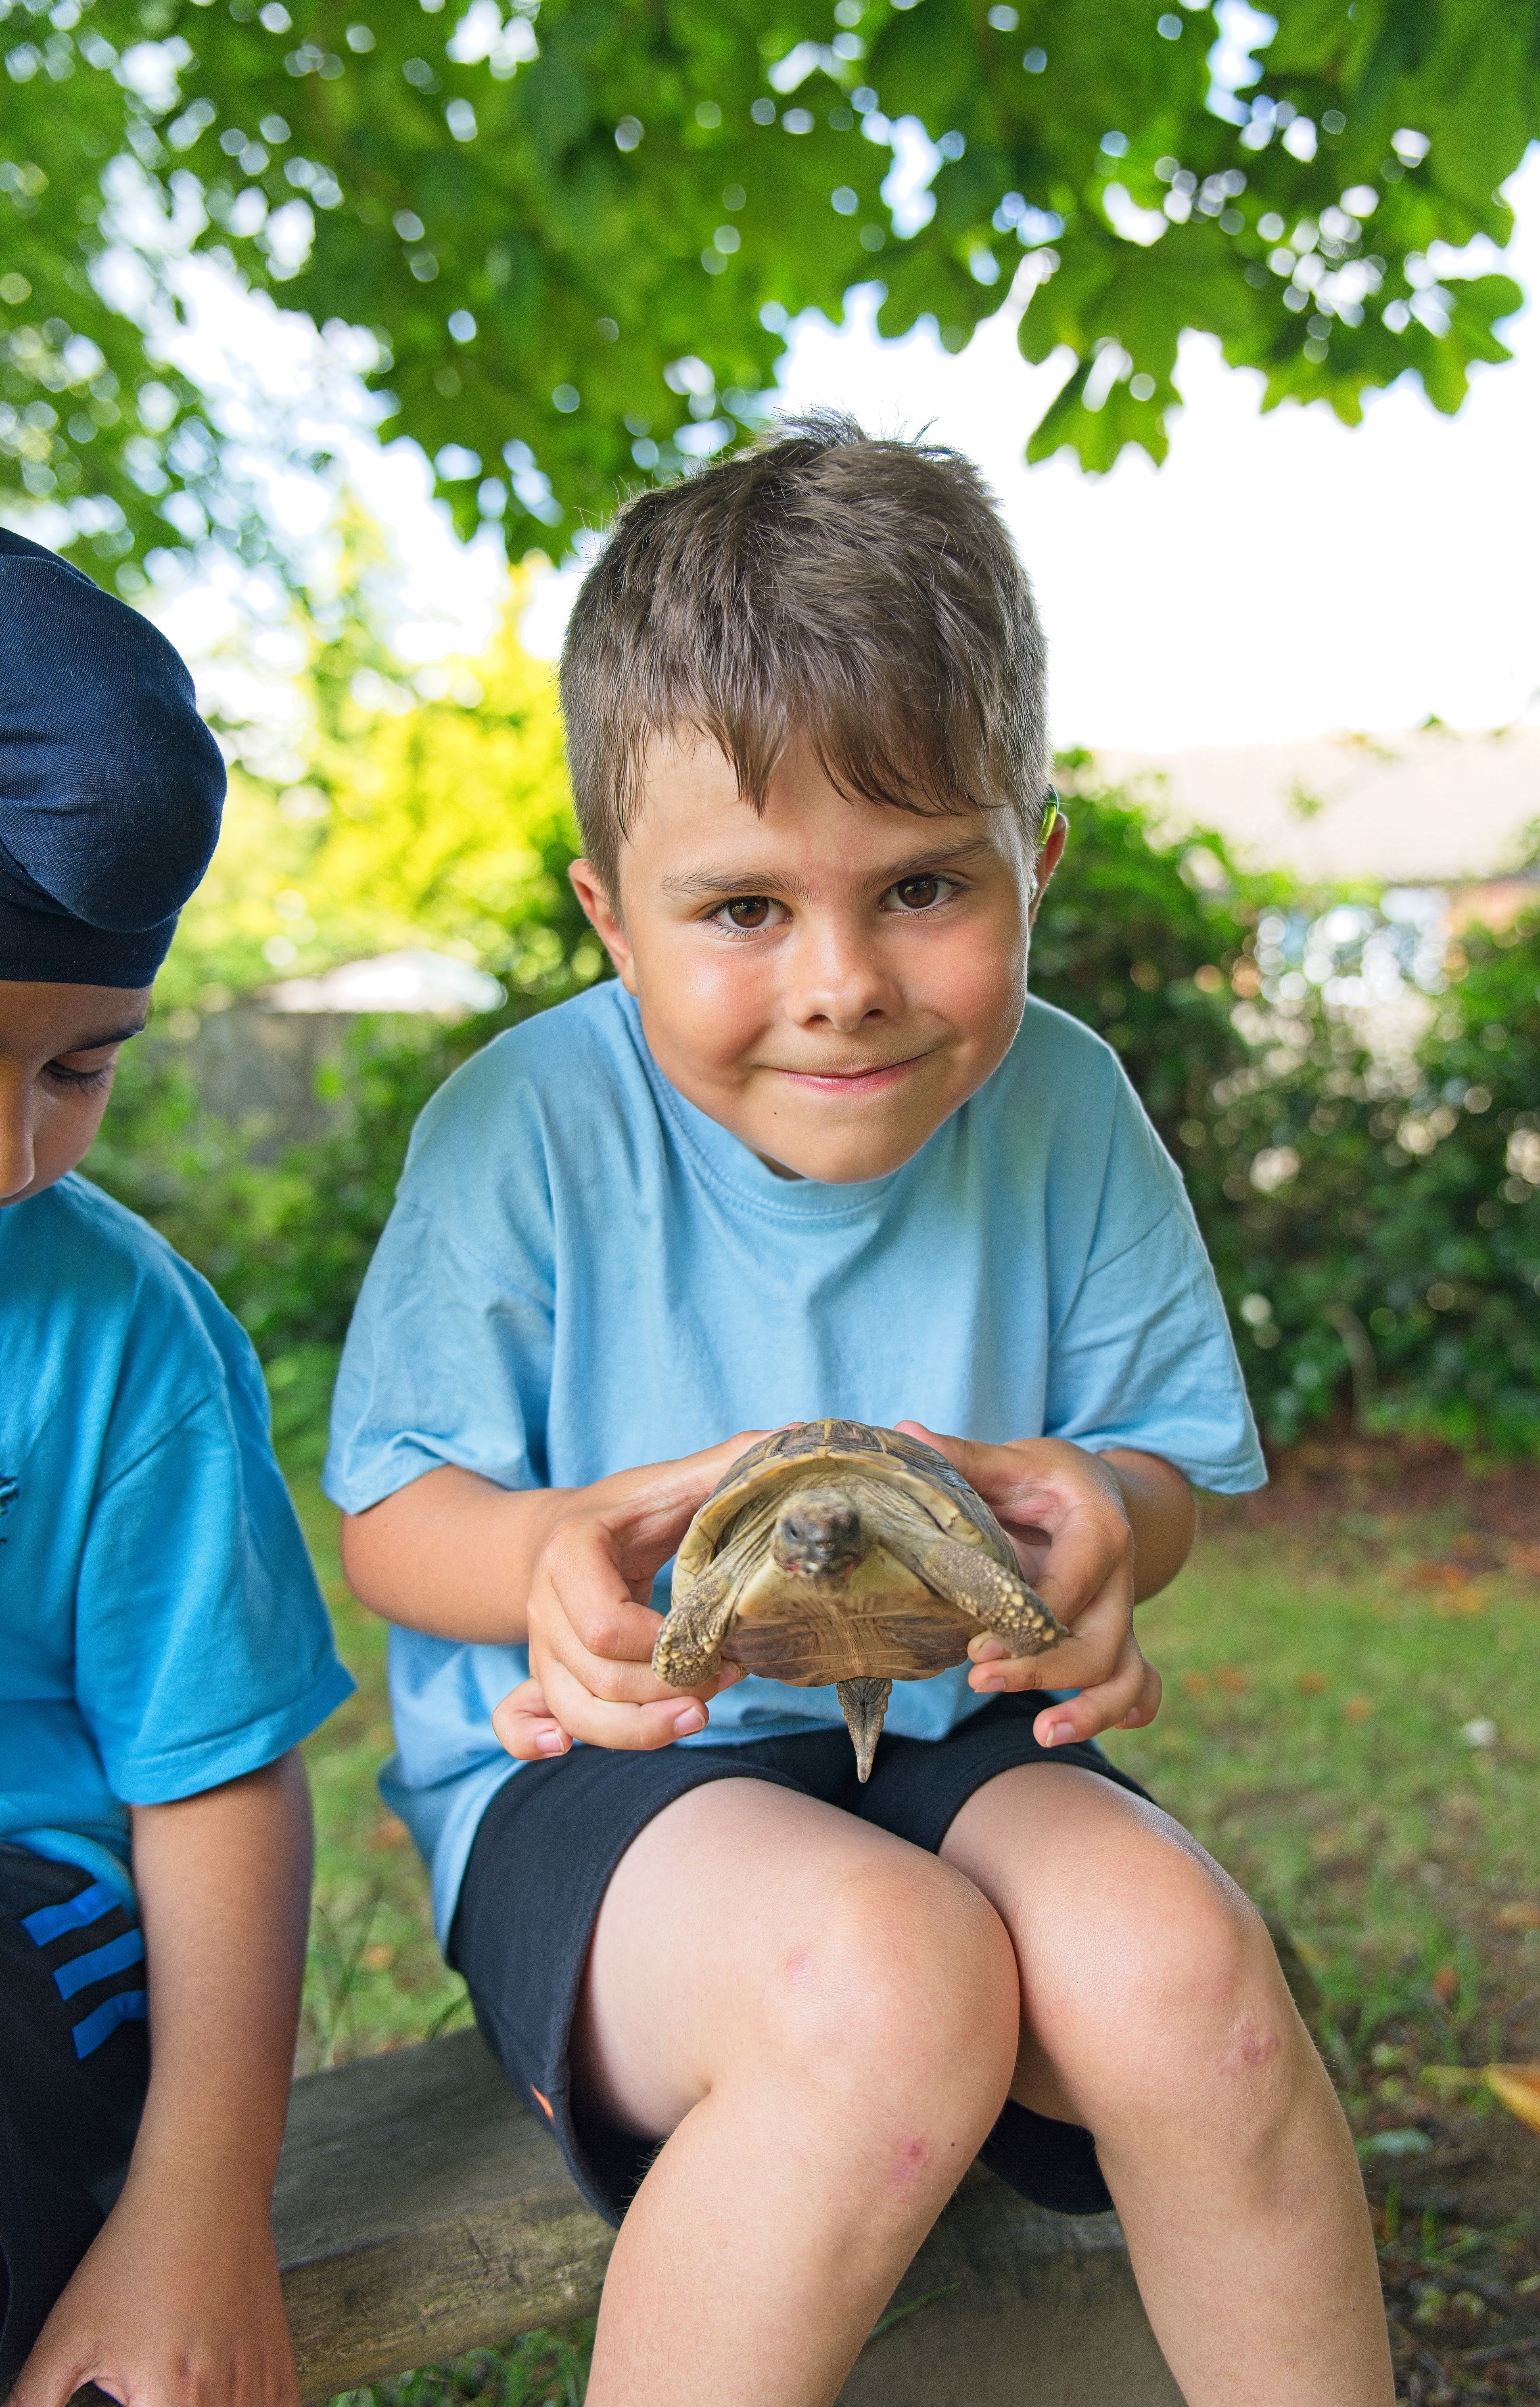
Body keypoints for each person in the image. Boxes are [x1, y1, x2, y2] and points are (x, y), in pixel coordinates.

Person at [330, 418, 1392, 2407]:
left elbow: (1155, 1470)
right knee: (886, 1984)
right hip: (613, 1779)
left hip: (957, 1727)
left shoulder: (1063, 1104)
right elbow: (393, 1516)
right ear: (610, 915)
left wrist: (1106, 1518)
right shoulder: (524, 1127)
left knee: (1187, 1983)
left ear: (1031, 863)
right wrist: (543, 1558)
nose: (841, 983)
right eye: (741, 909)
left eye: (918, 886)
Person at [0, 529, 354, 2406]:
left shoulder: (125, 1337)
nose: (13, 1154)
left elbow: (212, 1773)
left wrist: (201, 2204)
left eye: (79, 1070)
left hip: (28, 1947)